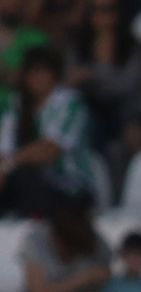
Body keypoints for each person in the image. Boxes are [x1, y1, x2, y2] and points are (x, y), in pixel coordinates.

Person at [0, 45, 95, 216]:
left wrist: (8, 164)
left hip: (69, 187)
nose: (37, 78)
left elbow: (50, 151)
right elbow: (4, 149)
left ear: (54, 75)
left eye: (43, 72)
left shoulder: (69, 104)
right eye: (32, 73)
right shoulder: (17, 106)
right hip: (23, 183)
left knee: (25, 177)